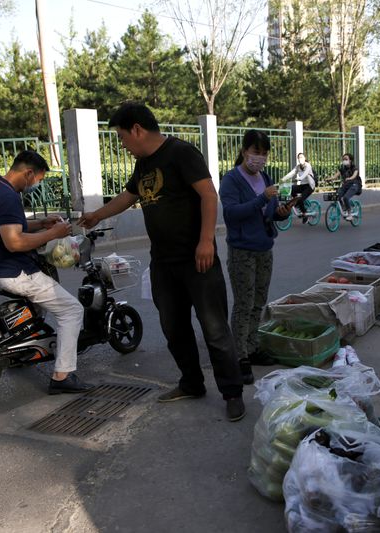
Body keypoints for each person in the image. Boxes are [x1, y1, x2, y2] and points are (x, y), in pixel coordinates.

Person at [78, 103, 245, 422]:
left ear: (138, 129)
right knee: (173, 327)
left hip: (197, 258)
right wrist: (97, 215)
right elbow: (129, 196)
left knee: (215, 329)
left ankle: (232, 392)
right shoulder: (143, 165)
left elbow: (209, 196)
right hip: (164, 263)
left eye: (123, 137)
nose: (123, 145)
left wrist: (206, 240)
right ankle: (191, 383)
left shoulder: (181, 153)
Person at [0, 150, 91, 394]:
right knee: (72, 309)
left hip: (1, 269)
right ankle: (63, 375)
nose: (36, 185)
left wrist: (42, 224)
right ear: (28, 173)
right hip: (17, 272)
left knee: (37, 311)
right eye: (38, 180)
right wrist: (54, 234)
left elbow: (11, 226)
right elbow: (14, 242)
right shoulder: (8, 197)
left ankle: (22, 353)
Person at [219, 130, 290, 385]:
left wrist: (282, 211)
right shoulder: (231, 180)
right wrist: (263, 197)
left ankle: (252, 346)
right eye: (255, 152)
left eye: (263, 153)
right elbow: (232, 214)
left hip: (264, 249)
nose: (259, 157)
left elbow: (268, 213)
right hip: (242, 251)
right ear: (244, 151)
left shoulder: (266, 178)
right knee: (244, 303)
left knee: (259, 301)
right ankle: (240, 356)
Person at [282, 153, 315, 223]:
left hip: (309, 186)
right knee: (291, 189)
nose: (300, 159)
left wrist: (299, 178)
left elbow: (305, 174)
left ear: (304, 158)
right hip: (302, 185)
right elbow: (291, 173)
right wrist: (283, 179)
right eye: (299, 157)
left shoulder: (308, 165)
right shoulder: (298, 167)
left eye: (302, 157)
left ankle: (304, 214)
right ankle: (297, 201)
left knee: (300, 199)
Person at [329, 153, 361, 221]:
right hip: (346, 185)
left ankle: (350, 215)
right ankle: (344, 207)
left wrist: (350, 178)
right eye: (343, 159)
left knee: (346, 197)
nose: (344, 160)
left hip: (354, 185)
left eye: (346, 159)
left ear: (350, 160)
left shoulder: (354, 168)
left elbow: (354, 175)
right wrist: (329, 179)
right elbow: (335, 176)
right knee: (337, 195)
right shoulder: (342, 169)